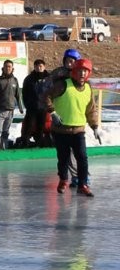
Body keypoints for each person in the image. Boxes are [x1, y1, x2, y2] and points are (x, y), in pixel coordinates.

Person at [45, 58, 98, 197]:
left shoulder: (88, 88)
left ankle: (82, 184)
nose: (82, 74)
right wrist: (52, 112)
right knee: (63, 158)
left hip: (78, 130)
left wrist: (95, 126)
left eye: (85, 71)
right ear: (74, 71)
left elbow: (91, 109)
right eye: (80, 71)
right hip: (61, 130)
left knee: (82, 158)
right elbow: (46, 96)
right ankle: (63, 179)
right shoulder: (63, 85)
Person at [0, 59, 22, 150]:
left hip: (11, 111)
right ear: (3, 68)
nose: (8, 68)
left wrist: (20, 106)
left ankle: (4, 149)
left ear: (12, 68)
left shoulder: (15, 80)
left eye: (9, 67)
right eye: (6, 66)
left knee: (6, 132)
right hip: (0, 110)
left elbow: (18, 95)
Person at [19, 59, 49, 148]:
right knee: (29, 126)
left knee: (41, 127)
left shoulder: (49, 78)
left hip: (43, 108)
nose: (39, 68)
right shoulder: (29, 79)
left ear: (44, 67)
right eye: (37, 66)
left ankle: (39, 144)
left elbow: (53, 92)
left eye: (40, 66)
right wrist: (27, 104)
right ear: (34, 67)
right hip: (32, 107)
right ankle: (25, 144)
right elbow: (24, 93)